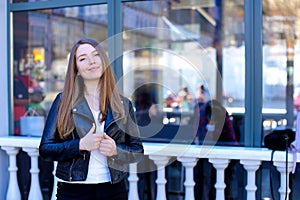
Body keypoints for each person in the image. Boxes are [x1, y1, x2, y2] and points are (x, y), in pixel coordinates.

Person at [39, 38, 144, 200]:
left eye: (96, 55)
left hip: (113, 190)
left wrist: (116, 150)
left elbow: (137, 151)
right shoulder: (63, 101)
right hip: (73, 192)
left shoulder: (123, 104)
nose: (91, 61)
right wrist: (80, 145)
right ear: (76, 69)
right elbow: (45, 149)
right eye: (82, 58)